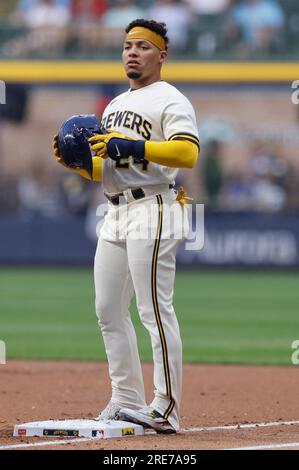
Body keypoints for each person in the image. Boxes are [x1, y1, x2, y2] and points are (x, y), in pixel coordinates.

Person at [53, 19, 200, 434]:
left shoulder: (171, 99)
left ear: (161, 56)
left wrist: (134, 146)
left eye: (143, 46)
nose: (132, 52)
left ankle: (166, 408)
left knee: (153, 308)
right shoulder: (115, 106)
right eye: (127, 46)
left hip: (154, 206)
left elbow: (186, 154)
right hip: (116, 210)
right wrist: (81, 164)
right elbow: (111, 169)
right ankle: (125, 399)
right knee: (107, 310)